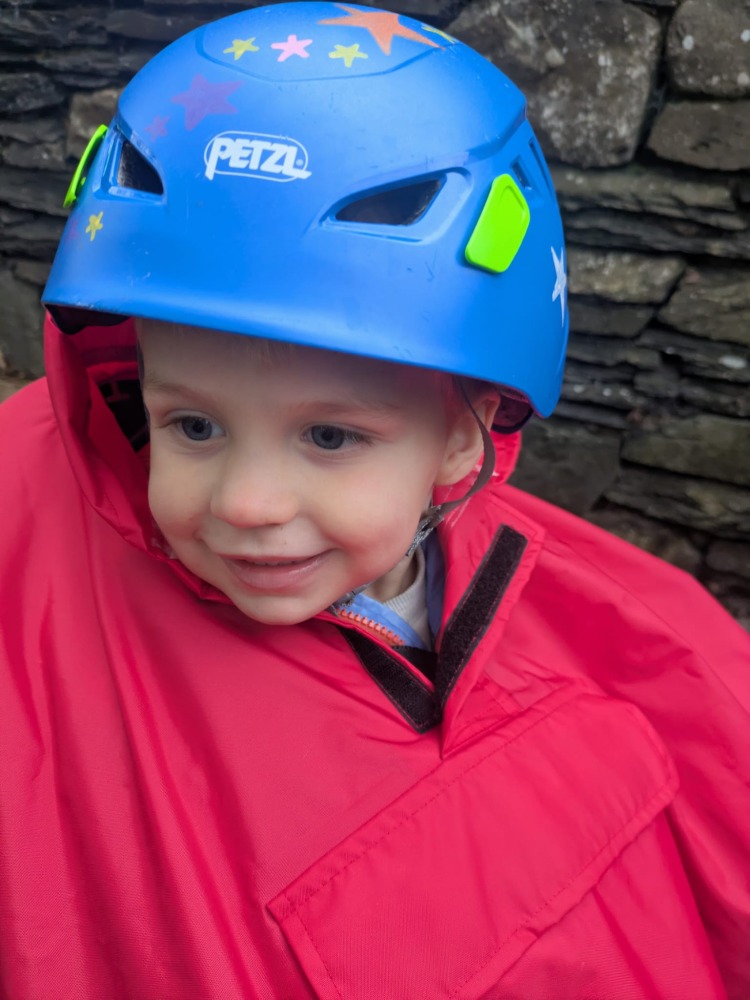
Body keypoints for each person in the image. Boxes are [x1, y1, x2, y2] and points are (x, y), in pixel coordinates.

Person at [1, 2, 748, 998]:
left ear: (460, 435)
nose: (250, 501)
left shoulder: (653, 641)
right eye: (191, 425)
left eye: (330, 435)